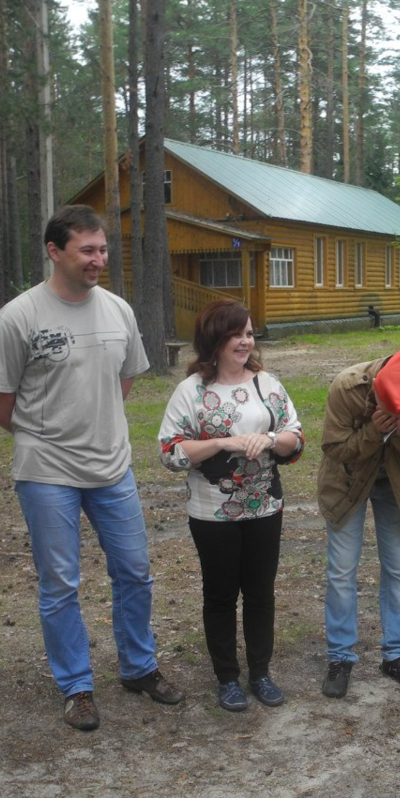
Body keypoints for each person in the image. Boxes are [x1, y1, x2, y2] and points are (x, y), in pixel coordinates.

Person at [0, 205, 184, 731]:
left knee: (135, 572)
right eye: (87, 250)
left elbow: (123, 380)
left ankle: (139, 668)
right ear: (55, 251)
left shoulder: (118, 311)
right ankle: (77, 686)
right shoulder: (19, 317)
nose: (99, 260)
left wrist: (98, 430)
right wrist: (46, 437)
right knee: (60, 583)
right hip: (47, 472)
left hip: (113, 469)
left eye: (102, 250)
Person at [158, 299, 304, 712]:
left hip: (264, 507)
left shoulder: (267, 385)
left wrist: (273, 440)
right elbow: (170, 452)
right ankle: (227, 678)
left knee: (260, 593)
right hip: (212, 513)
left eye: (249, 333)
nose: (245, 342)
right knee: (220, 595)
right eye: (236, 334)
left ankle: (260, 672)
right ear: (215, 340)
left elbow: (296, 437)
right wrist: (222, 442)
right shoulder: (192, 392)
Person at [316, 340, 400, 699]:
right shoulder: (347, 388)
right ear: (376, 390)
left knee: (398, 569)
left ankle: (394, 654)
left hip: (397, 484)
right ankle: (340, 656)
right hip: (346, 483)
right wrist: (374, 431)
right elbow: (334, 448)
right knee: (342, 570)